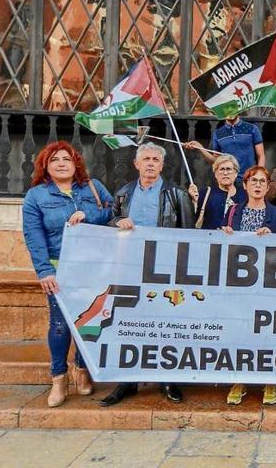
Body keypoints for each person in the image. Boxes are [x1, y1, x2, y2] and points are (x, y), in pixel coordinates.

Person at [101, 143, 196, 407]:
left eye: (156, 159)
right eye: (146, 159)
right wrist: (117, 222)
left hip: (165, 270)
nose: (151, 163)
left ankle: (167, 379)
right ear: (136, 164)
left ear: (162, 165)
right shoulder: (123, 194)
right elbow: (109, 226)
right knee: (129, 322)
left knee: (166, 323)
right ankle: (128, 381)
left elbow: (188, 234)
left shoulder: (176, 194)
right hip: (130, 269)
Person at [22, 141, 113, 408]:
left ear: (76, 164)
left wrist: (89, 214)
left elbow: (113, 211)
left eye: (67, 159)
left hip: (95, 265)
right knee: (61, 325)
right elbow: (33, 236)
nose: (61, 163)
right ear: (45, 166)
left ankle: (82, 370)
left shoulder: (92, 187)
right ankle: (58, 378)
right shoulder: (36, 196)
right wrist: (44, 271)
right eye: (55, 160)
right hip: (59, 267)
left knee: (90, 320)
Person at [222, 165, 276, 405]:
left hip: (267, 283)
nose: (258, 185)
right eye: (254, 181)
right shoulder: (233, 212)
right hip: (239, 285)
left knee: (267, 334)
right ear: (245, 185)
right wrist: (226, 234)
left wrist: (272, 239)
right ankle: (239, 380)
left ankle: (270, 381)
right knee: (239, 332)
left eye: (262, 181)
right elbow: (219, 245)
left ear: (268, 186)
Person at [184, 113, 265, 180]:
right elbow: (215, 160)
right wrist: (199, 146)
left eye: (232, 107)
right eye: (226, 109)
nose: (230, 111)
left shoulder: (252, 128)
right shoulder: (218, 133)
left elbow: (260, 155)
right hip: (229, 180)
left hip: (249, 178)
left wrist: (259, 175)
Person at [187, 154, 247, 229]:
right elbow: (192, 219)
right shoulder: (205, 193)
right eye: (222, 169)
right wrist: (193, 200)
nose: (225, 173)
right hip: (209, 239)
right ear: (215, 174)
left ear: (236, 173)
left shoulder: (245, 195)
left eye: (228, 169)